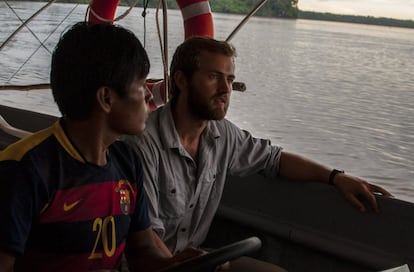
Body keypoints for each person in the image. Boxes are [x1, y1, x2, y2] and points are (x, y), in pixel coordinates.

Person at [122, 36, 393, 271]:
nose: (225, 90)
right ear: (181, 80)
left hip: (199, 257)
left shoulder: (223, 134)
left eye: (229, 80)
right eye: (213, 76)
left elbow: (274, 160)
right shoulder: (143, 145)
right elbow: (147, 240)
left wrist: (335, 177)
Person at [0, 22, 201, 272]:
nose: (150, 96)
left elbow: (142, 252)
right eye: (141, 87)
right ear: (106, 98)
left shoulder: (127, 161)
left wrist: (174, 263)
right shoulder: (24, 170)